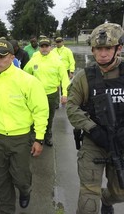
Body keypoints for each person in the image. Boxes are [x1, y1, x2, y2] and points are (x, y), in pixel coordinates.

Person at [0, 39, 49, 213]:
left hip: (21, 138)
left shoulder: (27, 81)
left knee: (21, 177)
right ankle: (6, 209)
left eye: (2, 57)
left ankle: (24, 190)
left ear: (12, 57)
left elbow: (40, 111)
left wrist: (39, 138)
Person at [66, 23, 124, 214]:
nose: (103, 54)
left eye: (108, 48)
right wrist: (92, 129)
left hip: (122, 141)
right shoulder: (84, 77)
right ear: (92, 50)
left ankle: (107, 200)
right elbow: (72, 107)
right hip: (94, 142)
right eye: (98, 49)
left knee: (120, 192)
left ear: (119, 48)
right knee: (89, 199)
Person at [24, 38, 70, 146]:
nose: (44, 49)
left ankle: (47, 136)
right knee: (34, 116)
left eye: (46, 46)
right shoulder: (34, 59)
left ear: (50, 47)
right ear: (39, 48)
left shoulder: (57, 61)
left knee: (49, 117)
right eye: (42, 46)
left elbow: (64, 78)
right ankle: (34, 138)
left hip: (51, 94)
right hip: (36, 94)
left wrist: (65, 94)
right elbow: (25, 74)